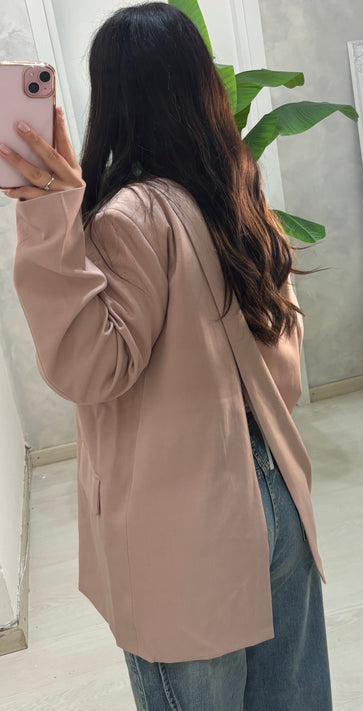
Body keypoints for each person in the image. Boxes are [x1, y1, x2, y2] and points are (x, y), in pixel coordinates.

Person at [2, 2, 333, 709]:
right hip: (276, 493)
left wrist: (46, 215)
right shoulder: (236, 189)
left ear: (110, 97)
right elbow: (283, 363)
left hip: (189, 530)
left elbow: (89, 367)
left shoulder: (132, 216)